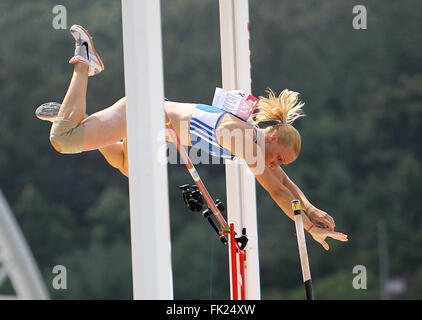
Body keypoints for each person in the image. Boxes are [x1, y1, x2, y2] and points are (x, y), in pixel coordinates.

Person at [36, 25, 348, 250]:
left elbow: (286, 183)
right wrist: (307, 226)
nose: (277, 163)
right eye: (279, 157)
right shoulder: (244, 140)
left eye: (281, 162)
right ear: (274, 134)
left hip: (150, 126)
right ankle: (84, 64)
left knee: (128, 167)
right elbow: (277, 192)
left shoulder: (255, 140)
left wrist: (311, 208)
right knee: (62, 139)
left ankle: (74, 117)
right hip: (142, 114)